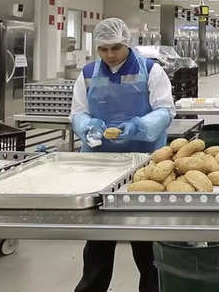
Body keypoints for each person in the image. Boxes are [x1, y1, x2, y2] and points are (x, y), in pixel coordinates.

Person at [70, 18, 175, 292]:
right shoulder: (89, 73)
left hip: (144, 165)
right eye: (103, 49)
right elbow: (78, 112)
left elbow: (165, 111)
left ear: (127, 44)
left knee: (146, 239)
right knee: (98, 239)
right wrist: (86, 127)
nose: (109, 55)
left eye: (115, 48)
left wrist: (140, 127)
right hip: (99, 163)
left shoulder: (151, 71)